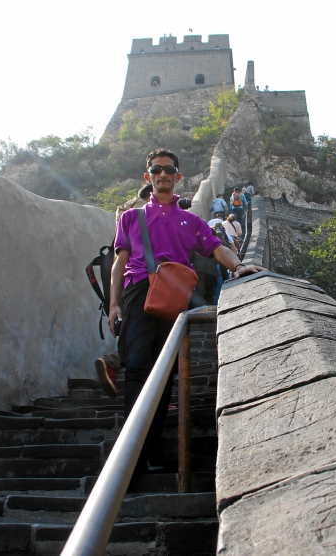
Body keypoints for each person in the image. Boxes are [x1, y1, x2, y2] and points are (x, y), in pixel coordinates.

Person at [108, 148, 264, 472]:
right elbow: (118, 265)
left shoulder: (190, 220)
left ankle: (146, 450)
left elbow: (215, 246)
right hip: (138, 294)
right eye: (156, 169)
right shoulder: (131, 218)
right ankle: (130, 454)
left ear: (178, 176)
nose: (162, 174)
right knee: (137, 367)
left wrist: (237, 266)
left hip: (173, 297)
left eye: (168, 170)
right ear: (148, 177)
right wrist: (113, 305)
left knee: (165, 375)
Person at [95, 182, 153, 399]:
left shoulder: (125, 211)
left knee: (139, 338)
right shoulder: (141, 212)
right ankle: (146, 401)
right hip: (142, 282)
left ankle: (114, 362)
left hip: (128, 285)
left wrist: (114, 302)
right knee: (147, 341)